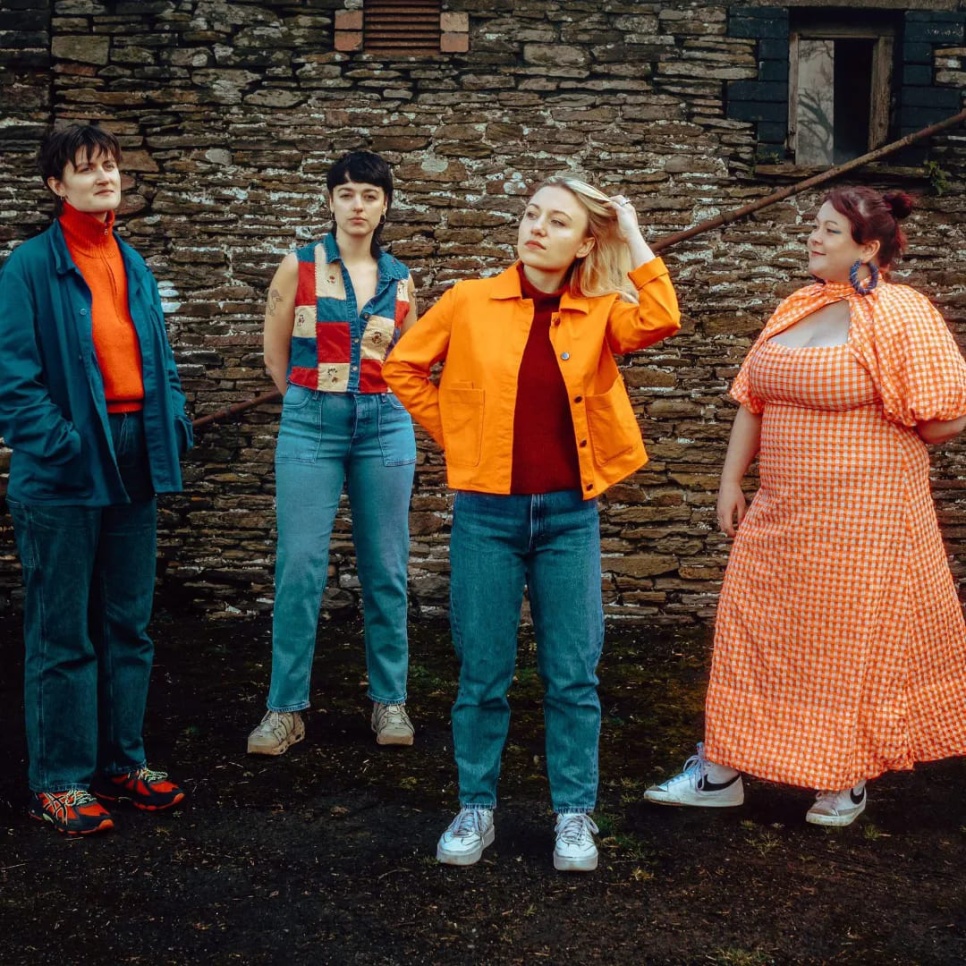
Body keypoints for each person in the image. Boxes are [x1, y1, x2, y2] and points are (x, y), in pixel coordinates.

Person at [384, 176, 680, 871]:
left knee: (573, 675)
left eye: (558, 221)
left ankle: (574, 815)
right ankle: (476, 808)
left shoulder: (602, 308)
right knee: (483, 672)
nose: (538, 228)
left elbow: (662, 316)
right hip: (486, 515)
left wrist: (630, 231)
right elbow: (402, 365)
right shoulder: (468, 299)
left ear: (584, 243)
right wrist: (458, 436)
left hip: (569, 516)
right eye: (530, 215)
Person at [645, 186, 966, 827]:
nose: (813, 239)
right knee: (752, 635)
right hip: (780, 510)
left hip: (863, 522)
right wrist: (730, 481)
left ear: (867, 247)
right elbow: (752, 398)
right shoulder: (797, 306)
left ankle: (842, 779)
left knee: (842, 649)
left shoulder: (902, 312)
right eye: (813, 228)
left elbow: (944, 420)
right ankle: (720, 772)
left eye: (828, 231)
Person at [0, 123, 192, 836]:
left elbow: (159, 359)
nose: (106, 178)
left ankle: (123, 763)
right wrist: (66, 446)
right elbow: (12, 384)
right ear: (57, 185)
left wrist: (168, 427)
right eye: (88, 170)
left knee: (126, 624)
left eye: (111, 166)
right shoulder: (28, 267)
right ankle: (60, 780)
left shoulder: (129, 260)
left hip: (135, 451)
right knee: (61, 632)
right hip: (65, 467)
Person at [247, 151, 419, 756]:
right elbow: (274, 355)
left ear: (385, 205)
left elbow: (408, 360)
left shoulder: (400, 278)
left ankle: (389, 701)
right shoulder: (296, 267)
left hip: (385, 425)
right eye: (346, 194)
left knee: (387, 568)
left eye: (370, 195)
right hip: (311, 424)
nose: (357, 206)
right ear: (330, 202)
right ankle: (285, 709)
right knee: (299, 566)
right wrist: (311, 398)